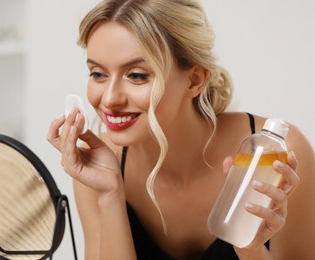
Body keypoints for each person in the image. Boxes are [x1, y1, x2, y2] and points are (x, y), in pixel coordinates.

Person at [47, 0, 315, 259]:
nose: (109, 99)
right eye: (98, 74)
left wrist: (251, 251)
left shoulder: (277, 155)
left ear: (194, 80)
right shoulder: (98, 165)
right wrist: (109, 194)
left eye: (137, 75)